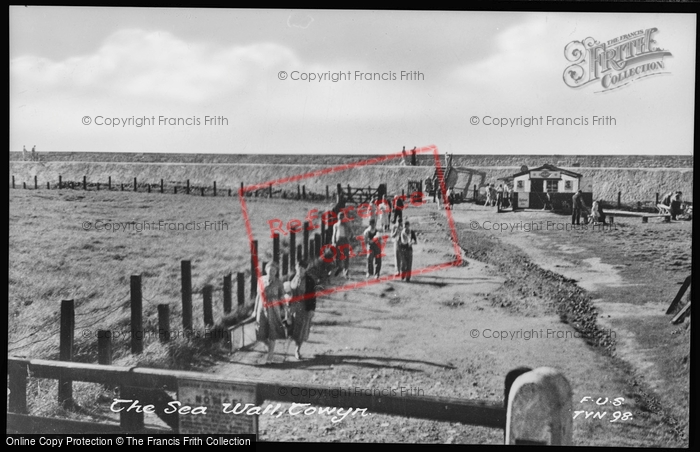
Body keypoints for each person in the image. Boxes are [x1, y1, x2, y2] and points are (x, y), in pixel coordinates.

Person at [254, 262, 288, 364]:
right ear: (266, 270)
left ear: (276, 272)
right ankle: (270, 347)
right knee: (260, 332)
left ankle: (270, 357)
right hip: (261, 308)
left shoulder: (279, 282)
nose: (271, 272)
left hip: (274, 309)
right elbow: (258, 296)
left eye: (273, 271)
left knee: (273, 331)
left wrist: (285, 308)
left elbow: (282, 297)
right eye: (269, 270)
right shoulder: (261, 280)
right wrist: (254, 310)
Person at [287, 259, 316, 360]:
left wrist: (312, 309)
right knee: (290, 327)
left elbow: (312, 296)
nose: (300, 270)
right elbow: (287, 291)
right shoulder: (292, 278)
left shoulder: (309, 281)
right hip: (292, 307)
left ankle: (297, 350)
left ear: (305, 269)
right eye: (298, 268)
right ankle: (286, 348)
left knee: (301, 329)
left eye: (302, 269)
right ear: (295, 268)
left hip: (304, 307)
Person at [332, 211, 352, 279]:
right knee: (337, 255)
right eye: (339, 218)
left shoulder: (346, 224)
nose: (341, 219)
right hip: (338, 240)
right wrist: (333, 242)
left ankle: (346, 270)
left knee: (346, 256)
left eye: (342, 218)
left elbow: (350, 232)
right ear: (338, 218)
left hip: (345, 240)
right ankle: (339, 267)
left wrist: (348, 237)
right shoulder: (336, 225)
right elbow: (334, 234)